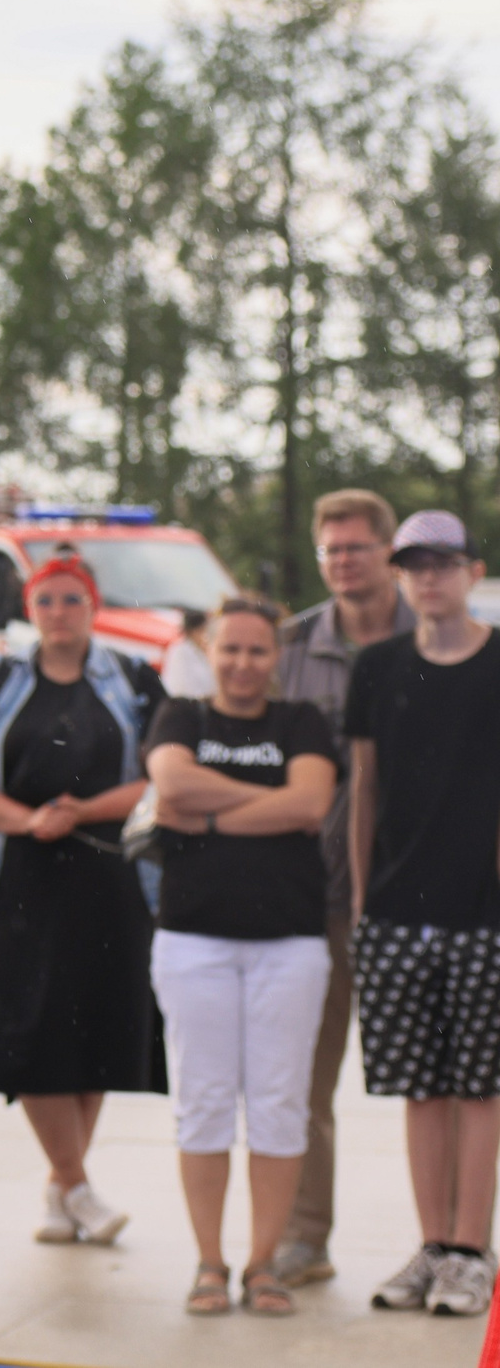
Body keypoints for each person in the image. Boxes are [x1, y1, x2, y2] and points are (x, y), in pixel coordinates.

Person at [0, 549, 167, 1246]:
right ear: (29, 611)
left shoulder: (134, 678)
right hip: (21, 878)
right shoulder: (0, 681)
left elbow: (162, 775)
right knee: (32, 1029)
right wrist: (30, 820)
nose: (59, 613)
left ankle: (59, 1189)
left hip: (111, 878)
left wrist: (89, 806)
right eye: (46, 601)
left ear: (94, 606)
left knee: (97, 1031)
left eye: (72, 600)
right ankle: (77, 1187)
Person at [141, 597, 336, 1317]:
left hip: (289, 945)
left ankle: (263, 1265)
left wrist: (213, 815)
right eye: (230, 650)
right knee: (204, 1105)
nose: (243, 664)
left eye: (257, 651)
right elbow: (171, 787)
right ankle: (210, 1263)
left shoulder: (302, 723)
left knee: (281, 1107)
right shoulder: (180, 716)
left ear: (277, 657)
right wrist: (269, 799)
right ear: (210, 651)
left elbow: (312, 804)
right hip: (195, 941)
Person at [346, 509, 500, 1318]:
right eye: (414, 563)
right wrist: (368, 905)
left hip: (486, 914)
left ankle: (473, 1249)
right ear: (400, 575)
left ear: (474, 570)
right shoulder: (375, 668)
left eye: (444, 561)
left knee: (481, 1087)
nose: (429, 576)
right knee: (420, 1088)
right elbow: (365, 788)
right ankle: (434, 1244)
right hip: (398, 914)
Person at [269, 485, 412, 1289]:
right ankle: (304, 1237)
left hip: (420, 896)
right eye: (331, 549)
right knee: (302, 1080)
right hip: (314, 900)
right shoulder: (289, 648)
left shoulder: (436, 641)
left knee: (450, 1084)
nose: (344, 561)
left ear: (388, 551)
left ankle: (453, 1242)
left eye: (357, 546)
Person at [162, 608, 216, 700]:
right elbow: (180, 688)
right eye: (202, 630)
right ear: (192, 631)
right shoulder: (180, 651)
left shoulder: (206, 651)